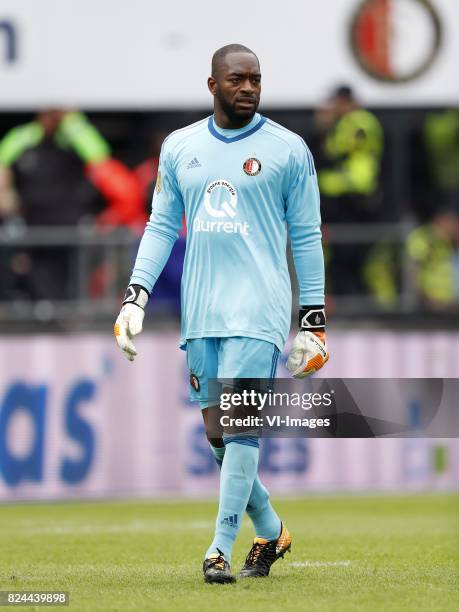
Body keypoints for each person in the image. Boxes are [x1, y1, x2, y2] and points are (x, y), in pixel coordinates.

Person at [114, 44, 329, 583]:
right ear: (212, 84)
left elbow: (305, 236)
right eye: (237, 79)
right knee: (217, 433)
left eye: (256, 79)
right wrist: (136, 294)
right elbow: (162, 226)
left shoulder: (288, 150)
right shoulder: (180, 147)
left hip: (259, 308)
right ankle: (273, 529)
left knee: (240, 428)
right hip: (203, 310)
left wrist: (312, 316)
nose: (249, 88)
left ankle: (217, 550)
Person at [314, 85, 384, 297]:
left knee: (350, 256)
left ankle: (355, 301)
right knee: (344, 257)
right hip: (350, 193)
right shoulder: (356, 120)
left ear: (344, 102)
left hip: (356, 194)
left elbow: (336, 151)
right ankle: (350, 298)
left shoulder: (357, 120)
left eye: (335, 103)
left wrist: (325, 128)